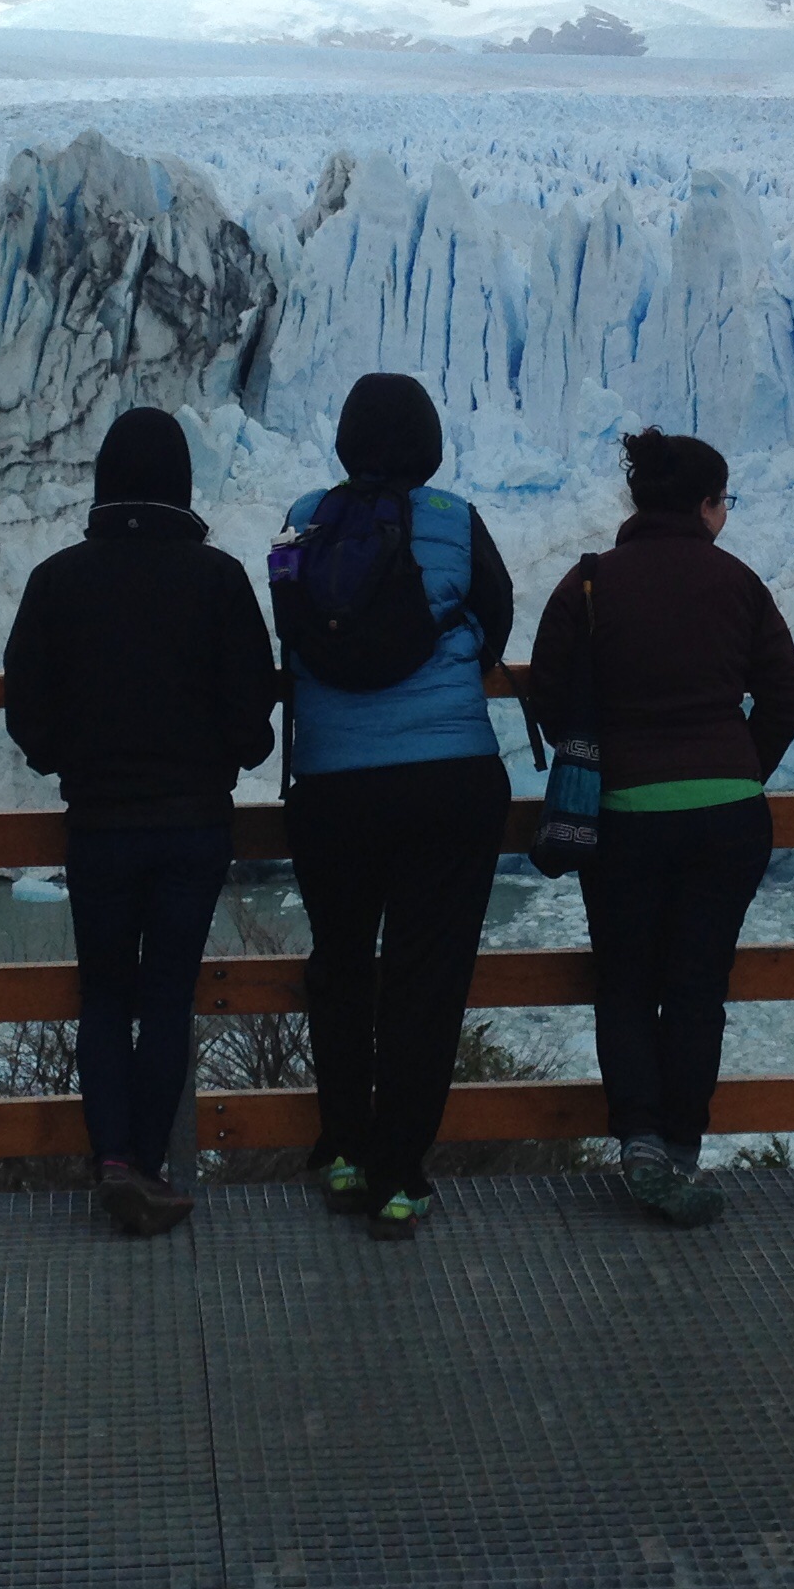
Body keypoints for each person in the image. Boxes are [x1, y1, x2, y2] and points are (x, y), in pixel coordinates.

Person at [4, 407, 278, 1236]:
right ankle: (148, 1166)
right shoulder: (218, 580)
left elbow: (27, 709)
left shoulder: (57, 580)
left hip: (99, 824)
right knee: (165, 996)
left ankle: (114, 1161)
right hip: (193, 825)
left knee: (104, 995)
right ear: (181, 485)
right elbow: (252, 717)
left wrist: (69, 761)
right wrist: (224, 757)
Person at [525, 429, 794, 1227]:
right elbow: (784, 696)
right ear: (708, 506)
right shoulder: (738, 583)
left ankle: (641, 1143)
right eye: (725, 501)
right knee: (696, 985)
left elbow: (549, 691)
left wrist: (607, 755)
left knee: (624, 981)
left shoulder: (589, 583)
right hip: (728, 817)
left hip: (623, 816)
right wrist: (739, 770)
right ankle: (682, 1148)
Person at [276, 372, 515, 1241]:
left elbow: (289, 621)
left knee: (342, 963)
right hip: (448, 782)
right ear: (428, 444)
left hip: (332, 786)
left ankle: (343, 1148)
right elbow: (496, 621)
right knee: (426, 978)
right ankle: (398, 1177)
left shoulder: (303, 519)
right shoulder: (455, 519)